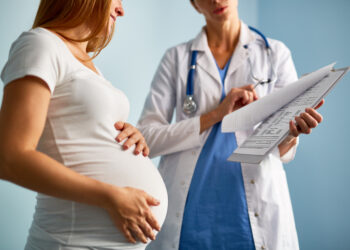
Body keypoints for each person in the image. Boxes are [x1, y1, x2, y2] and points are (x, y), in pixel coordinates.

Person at [137, 0, 324, 249]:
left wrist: (292, 134)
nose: (216, 0)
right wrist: (217, 113)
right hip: (190, 213)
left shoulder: (275, 53)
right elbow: (146, 139)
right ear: (193, 4)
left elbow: (281, 150)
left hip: (252, 210)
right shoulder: (176, 59)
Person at [0, 0, 168, 249]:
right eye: (117, 0)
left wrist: (127, 135)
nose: (121, 10)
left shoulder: (89, 66)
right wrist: (112, 197)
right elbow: (9, 158)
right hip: (70, 242)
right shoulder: (41, 44)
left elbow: (78, 131)